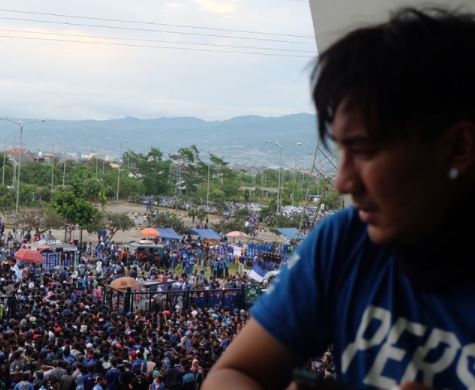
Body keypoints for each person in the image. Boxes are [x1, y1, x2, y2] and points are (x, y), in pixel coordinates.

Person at [203, 7, 475, 390]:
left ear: (459, 147)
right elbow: (233, 373)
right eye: (341, 151)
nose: (343, 182)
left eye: (363, 150)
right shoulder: (347, 241)